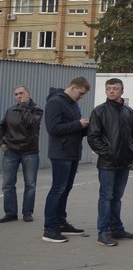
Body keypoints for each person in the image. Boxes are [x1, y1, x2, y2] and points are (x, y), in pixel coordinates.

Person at [87, 78, 133, 247]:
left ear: (122, 91)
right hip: (107, 163)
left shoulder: (128, 112)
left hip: (124, 162)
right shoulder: (99, 111)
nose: (111, 91)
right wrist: (108, 153)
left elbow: (132, 135)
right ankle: (103, 231)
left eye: (115, 88)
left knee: (117, 197)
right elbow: (93, 137)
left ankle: (116, 228)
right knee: (106, 197)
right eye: (109, 88)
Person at [42, 77, 91, 243]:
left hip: (72, 152)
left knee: (65, 188)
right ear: (73, 87)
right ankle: (49, 228)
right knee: (58, 189)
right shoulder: (56, 102)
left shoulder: (72, 103)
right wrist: (79, 124)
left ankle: (61, 223)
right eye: (80, 93)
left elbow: (73, 127)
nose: (81, 97)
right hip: (60, 153)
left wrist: (87, 127)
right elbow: (53, 128)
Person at [1, 85, 44, 223]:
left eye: (21, 93)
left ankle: (27, 212)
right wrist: (1, 142)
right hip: (11, 151)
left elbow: (31, 123)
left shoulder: (36, 110)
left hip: (29, 152)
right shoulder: (10, 110)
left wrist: (24, 106)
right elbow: (2, 127)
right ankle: (10, 213)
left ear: (28, 94)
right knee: (8, 184)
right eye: (16, 94)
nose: (18, 96)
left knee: (30, 184)